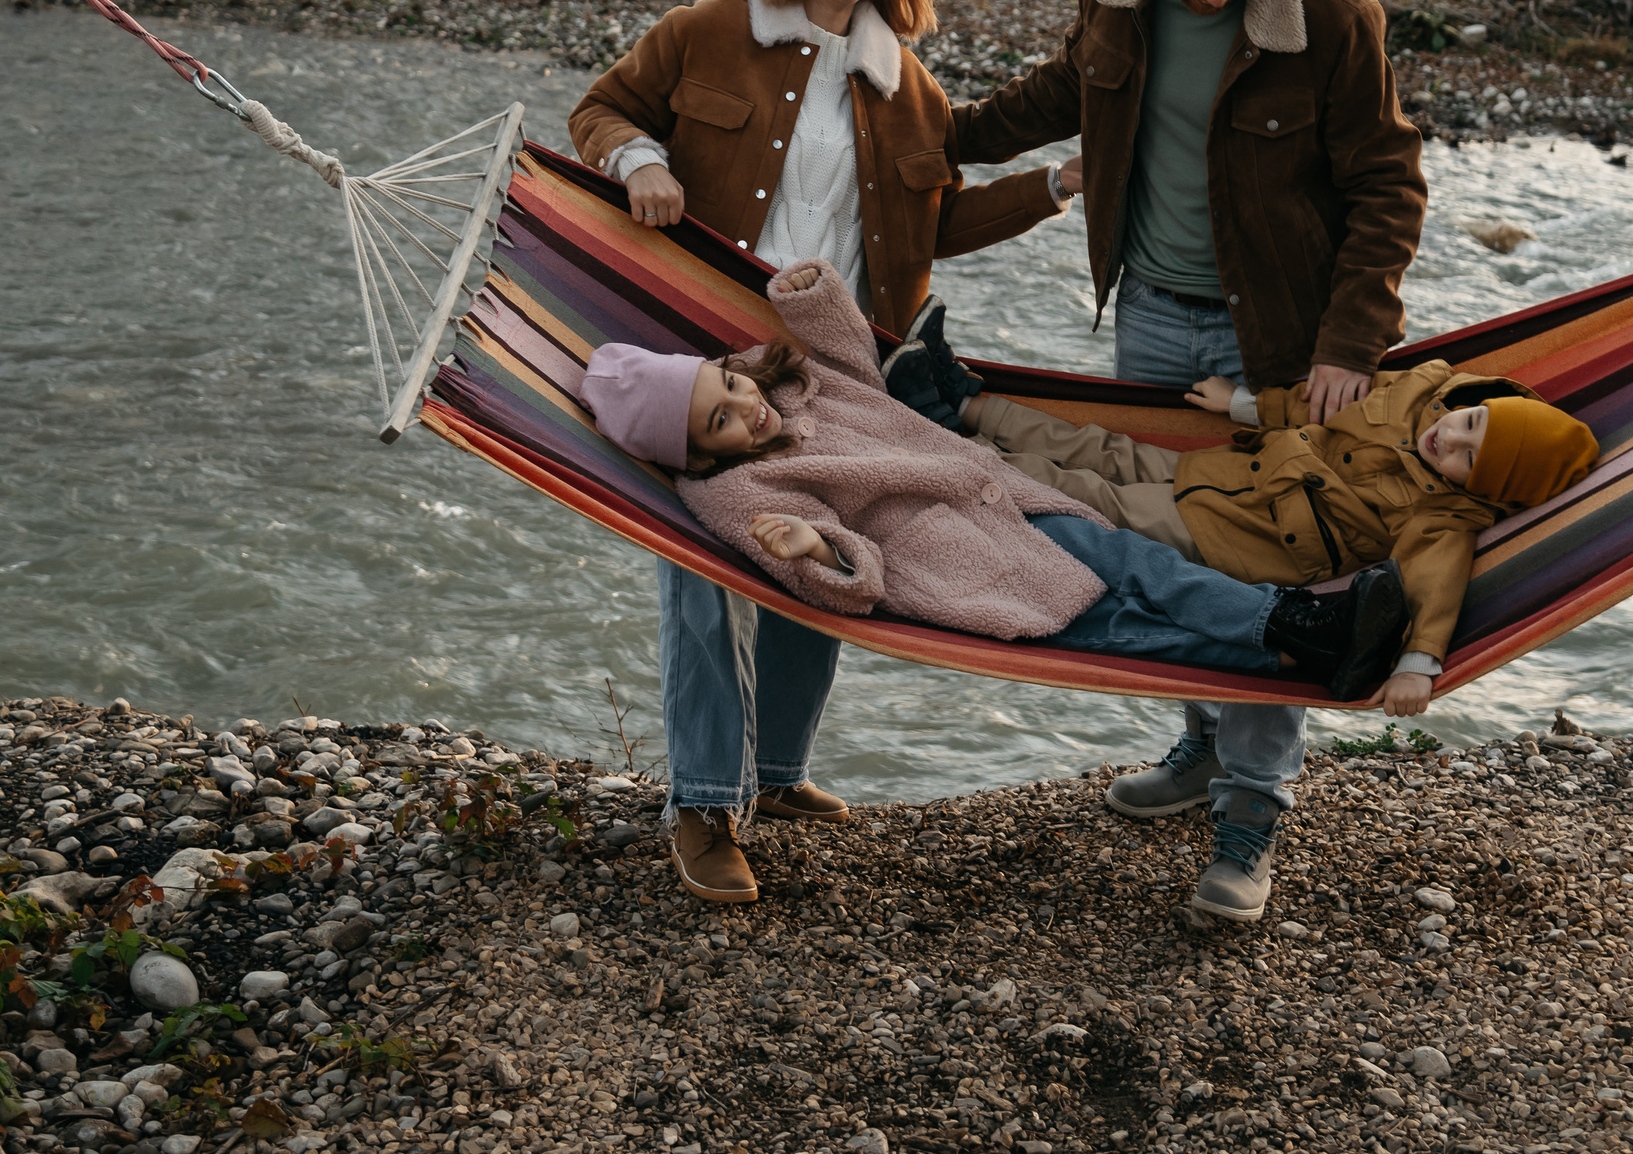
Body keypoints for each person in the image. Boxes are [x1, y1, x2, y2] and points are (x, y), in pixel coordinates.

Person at [575, 261, 1415, 907]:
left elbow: (844, 351)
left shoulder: (787, 380)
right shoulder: (733, 489)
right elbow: (842, 576)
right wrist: (812, 544)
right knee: (1126, 628)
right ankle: (1296, 650)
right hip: (956, 562)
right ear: (699, 456)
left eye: (728, 387)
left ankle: (1298, 623)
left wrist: (809, 290)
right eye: (719, 421)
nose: (743, 409)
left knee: (1151, 568)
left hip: (1011, 495)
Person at [568, 0, 1069, 905]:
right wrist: (642, 161)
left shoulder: (907, 85)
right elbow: (600, 110)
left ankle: (780, 772)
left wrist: (1053, 186)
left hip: (841, 365)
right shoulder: (706, 30)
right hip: (707, 352)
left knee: (817, 550)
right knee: (702, 563)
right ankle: (705, 800)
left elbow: (938, 222)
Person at [947, 0, 1430, 920]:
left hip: (1282, 345)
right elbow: (1068, 89)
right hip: (1151, 322)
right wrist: (929, 134)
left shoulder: (1338, 20)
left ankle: (1252, 815)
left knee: (1278, 558)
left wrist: (1350, 346)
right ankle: (1205, 740)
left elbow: (1388, 190)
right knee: (1158, 530)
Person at [889, 319, 1599, 919]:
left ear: (1478, 491)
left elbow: (1436, 577)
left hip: (1243, 540)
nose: (1452, 440)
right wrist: (1247, 406)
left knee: (1088, 496)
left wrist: (1420, 660)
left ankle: (941, 450)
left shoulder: (1445, 511)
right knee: (1101, 446)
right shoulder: (1426, 388)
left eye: (1468, 459)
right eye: (1468, 422)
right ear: (1475, 400)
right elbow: (1324, 408)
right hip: (1231, 471)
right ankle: (966, 404)